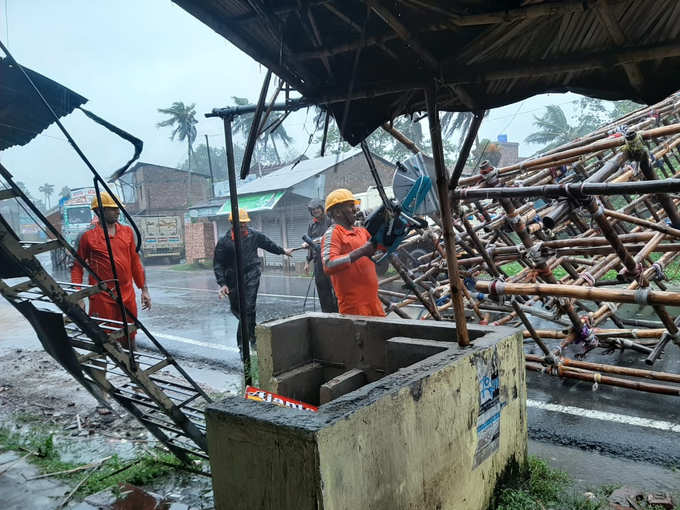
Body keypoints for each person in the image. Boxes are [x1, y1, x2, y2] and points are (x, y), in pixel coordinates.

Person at [71, 192, 151, 348]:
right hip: (101, 296)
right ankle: (103, 370)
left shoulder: (127, 232)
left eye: (118, 208)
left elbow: (135, 263)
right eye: (112, 209)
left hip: (127, 294)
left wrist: (144, 290)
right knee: (103, 338)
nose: (118, 212)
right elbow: (77, 267)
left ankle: (133, 368)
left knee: (129, 334)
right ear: (99, 211)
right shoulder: (87, 237)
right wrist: (79, 296)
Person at [214, 208, 293, 350]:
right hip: (232, 279)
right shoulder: (224, 242)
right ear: (233, 223)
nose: (243, 226)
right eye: (240, 223)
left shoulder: (254, 235)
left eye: (245, 223)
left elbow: (269, 245)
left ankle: (243, 343)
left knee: (248, 307)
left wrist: (283, 251)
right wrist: (222, 283)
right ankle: (252, 333)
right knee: (237, 309)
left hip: (252, 274)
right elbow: (218, 263)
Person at [321, 189, 385, 317]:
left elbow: (382, 246)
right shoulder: (333, 233)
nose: (355, 209)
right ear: (338, 212)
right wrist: (361, 251)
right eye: (350, 206)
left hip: (373, 303)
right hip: (353, 307)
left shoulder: (361, 231)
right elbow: (328, 264)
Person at [304, 198, 338, 313]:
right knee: (322, 289)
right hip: (318, 262)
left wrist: (316, 241)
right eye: (313, 210)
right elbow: (309, 244)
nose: (315, 211)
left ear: (321, 208)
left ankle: (338, 313)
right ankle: (327, 314)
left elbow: (332, 235)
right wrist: (307, 262)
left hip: (331, 259)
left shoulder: (330, 220)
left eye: (317, 208)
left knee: (335, 288)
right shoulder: (312, 225)